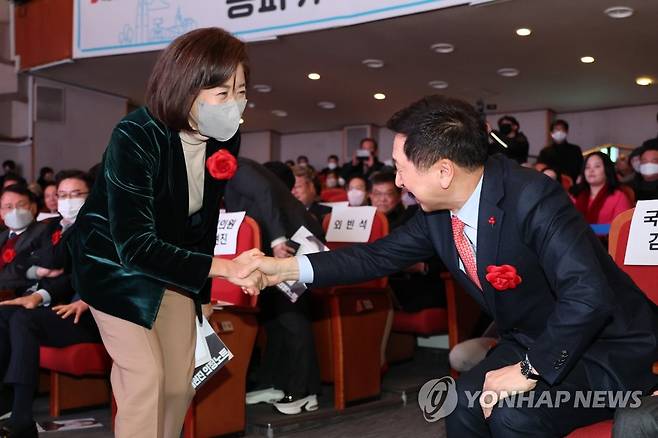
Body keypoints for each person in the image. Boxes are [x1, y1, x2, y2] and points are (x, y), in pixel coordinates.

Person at [252, 95, 658, 437]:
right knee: (461, 406)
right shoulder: (437, 214)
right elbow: (374, 256)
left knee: (513, 415)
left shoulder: (531, 196)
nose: (397, 182)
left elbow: (588, 295)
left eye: (402, 168)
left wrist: (530, 370)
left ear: (444, 170)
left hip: (603, 349)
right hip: (532, 340)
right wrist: (284, 269)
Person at [68, 28, 266, 438]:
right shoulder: (136, 135)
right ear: (186, 87)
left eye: (241, 91)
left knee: (179, 383)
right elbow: (135, 245)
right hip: (114, 263)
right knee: (145, 378)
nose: (236, 104)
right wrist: (225, 269)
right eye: (222, 93)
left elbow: (205, 221)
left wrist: (203, 299)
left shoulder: (224, 138)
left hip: (171, 261)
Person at [0, 170, 100, 438]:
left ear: (92, 196)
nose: (68, 200)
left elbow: (66, 269)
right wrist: (39, 272)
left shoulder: (98, 227)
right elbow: (24, 261)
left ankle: (22, 415)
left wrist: (43, 286)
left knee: (24, 318)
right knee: (5, 314)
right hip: (61, 306)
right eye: (63, 195)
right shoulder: (53, 226)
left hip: (93, 312)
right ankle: (5, 402)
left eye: (76, 194)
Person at [224, 158, 323, 414]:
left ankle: (305, 391)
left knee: (292, 316)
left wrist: (279, 239)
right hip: (271, 244)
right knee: (273, 318)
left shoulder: (234, 166)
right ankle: (278, 382)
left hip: (292, 241)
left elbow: (265, 193)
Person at [0, 185, 50, 294]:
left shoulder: (44, 232)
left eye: (21, 205)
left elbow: (23, 270)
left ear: (33, 207)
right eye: (8, 207)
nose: (15, 211)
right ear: (1, 212)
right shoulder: (2, 236)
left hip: (21, 294)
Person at [569, 152, 632, 224]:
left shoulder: (619, 197)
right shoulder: (575, 196)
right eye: (587, 167)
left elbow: (620, 229)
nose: (591, 170)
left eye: (597, 166)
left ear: (607, 170)